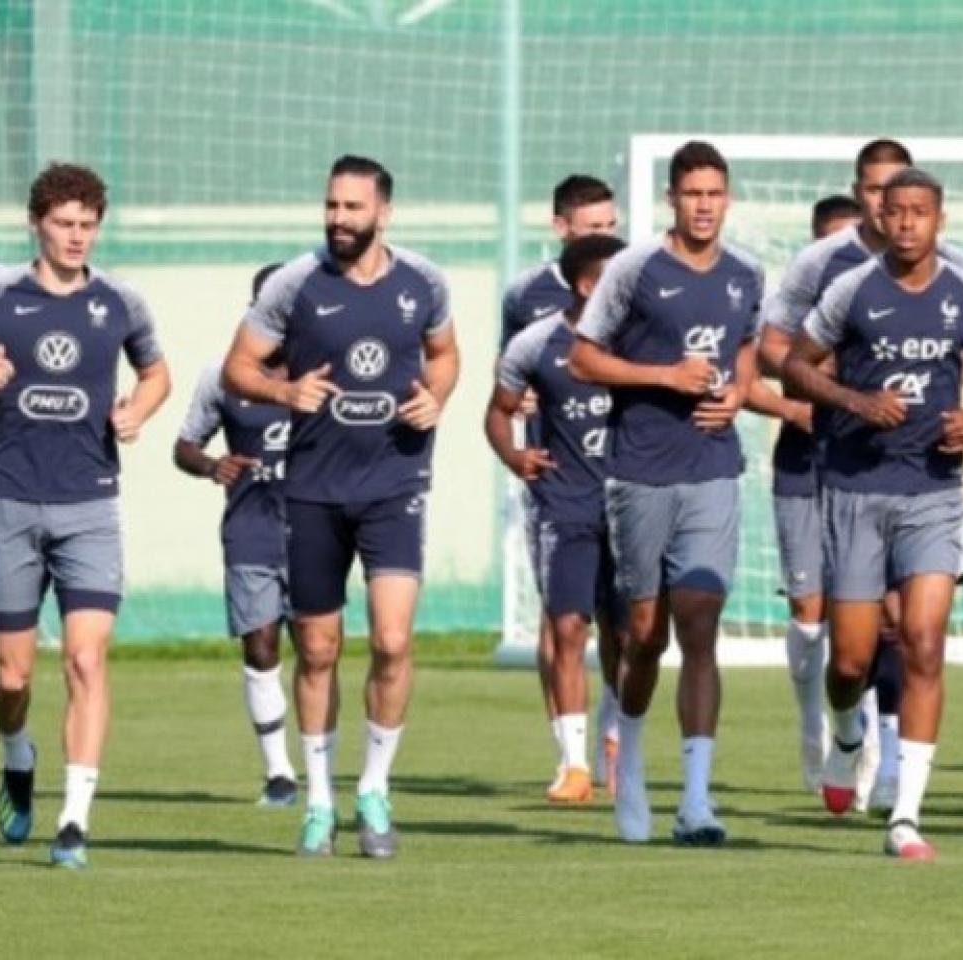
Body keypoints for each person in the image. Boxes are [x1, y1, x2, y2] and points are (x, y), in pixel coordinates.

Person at [0, 163, 173, 868]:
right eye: (63, 224)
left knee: (87, 659)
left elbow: (156, 372)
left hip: (90, 504)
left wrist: (137, 409)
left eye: (87, 225)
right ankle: (16, 755)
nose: (76, 236)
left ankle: (73, 821)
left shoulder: (121, 302)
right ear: (36, 223)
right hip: (6, 502)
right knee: (10, 676)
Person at [223, 155, 458, 857]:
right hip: (314, 491)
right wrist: (282, 392)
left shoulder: (424, 284)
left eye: (353, 208)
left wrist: (435, 397)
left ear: (384, 212)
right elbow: (240, 363)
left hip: (394, 486)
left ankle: (375, 791)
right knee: (318, 650)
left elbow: (445, 356)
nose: (338, 219)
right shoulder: (295, 285)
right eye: (331, 206)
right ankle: (319, 801)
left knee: (391, 640)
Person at [783, 167, 963, 860]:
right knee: (849, 659)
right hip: (854, 489)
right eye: (897, 211)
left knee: (923, 642)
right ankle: (848, 735)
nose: (907, 223)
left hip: (934, 491)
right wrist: (855, 402)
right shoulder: (853, 290)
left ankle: (905, 815)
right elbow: (795, 364)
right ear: (881, 215)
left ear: (940, 218)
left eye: (921, 213)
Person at [757, 139, 963, 810]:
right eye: (877, 193)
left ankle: (900, 795)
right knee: (833, 638)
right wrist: (841, 400)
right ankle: (836, 729)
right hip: (833, 471)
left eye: (904, 199)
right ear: (859, 193)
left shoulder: (959, 276)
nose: (891, 210)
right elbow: (777, 352)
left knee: (914, 631)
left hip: (927, 480)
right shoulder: (828, 271)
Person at [569, 140, 763, 846]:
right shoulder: (633, 269)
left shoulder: (747, 273)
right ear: (672, 200)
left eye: (715, 193)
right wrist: (663, 377)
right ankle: (630, 754)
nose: (704, 205)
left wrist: (738, 391)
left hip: (713, 466)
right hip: (641, 470)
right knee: (644, 634)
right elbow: (583, 357)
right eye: (692, 194)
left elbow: (745, 346)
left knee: (701, 627)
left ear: (727, 198)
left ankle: (698, 802)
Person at [485, 233, 628, 805]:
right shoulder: (536, 344)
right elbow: (496, 413)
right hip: (564, 506)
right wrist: (514, 455)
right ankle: (573, 764)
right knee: (569, 628)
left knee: (631, 636)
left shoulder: (639, 342)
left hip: (629, 505)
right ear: (590, 285)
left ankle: (617, 743)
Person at [173, 264, 298, 807]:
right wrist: (210, 466)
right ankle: (279, 773)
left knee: (319, 650)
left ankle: (324, 758)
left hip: (316, 530)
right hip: (251, 530)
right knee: (262, 642)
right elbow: (184, 445)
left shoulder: (327, 374)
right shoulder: (221, 376)